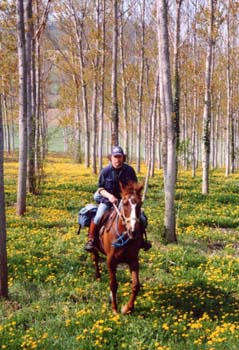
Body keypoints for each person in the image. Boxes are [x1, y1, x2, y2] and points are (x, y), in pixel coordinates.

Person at [84, 146, 152, 252]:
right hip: (108, 200)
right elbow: (100, 189)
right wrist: (109, 196)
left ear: (123, 158)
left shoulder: (129, 170)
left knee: (142, 218)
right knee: (98, 217)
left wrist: (131, 198)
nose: (117, 159)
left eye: (119, 157)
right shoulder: (105, 171)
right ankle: (91, 240)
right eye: (115, 157)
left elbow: (134, 187)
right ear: (111, 158)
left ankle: (142, 241)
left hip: (126, 202)